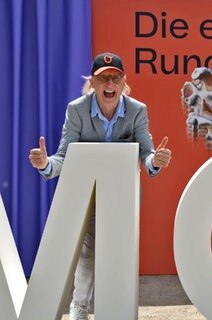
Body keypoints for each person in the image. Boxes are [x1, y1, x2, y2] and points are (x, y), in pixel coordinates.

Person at [28, 52, 172, 320]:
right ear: (92, 83)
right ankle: (79, 306)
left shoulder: (137, 110)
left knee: (118, 253)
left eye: (115, 78)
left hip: (121, 196)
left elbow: (146, 153)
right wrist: (45, 164)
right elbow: (63, 156)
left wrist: (157, 160)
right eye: (103, 78)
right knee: (87, 250)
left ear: (123, 82)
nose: (110, 84)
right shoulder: (77, 109)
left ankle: (117, 309)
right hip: (85, 194)